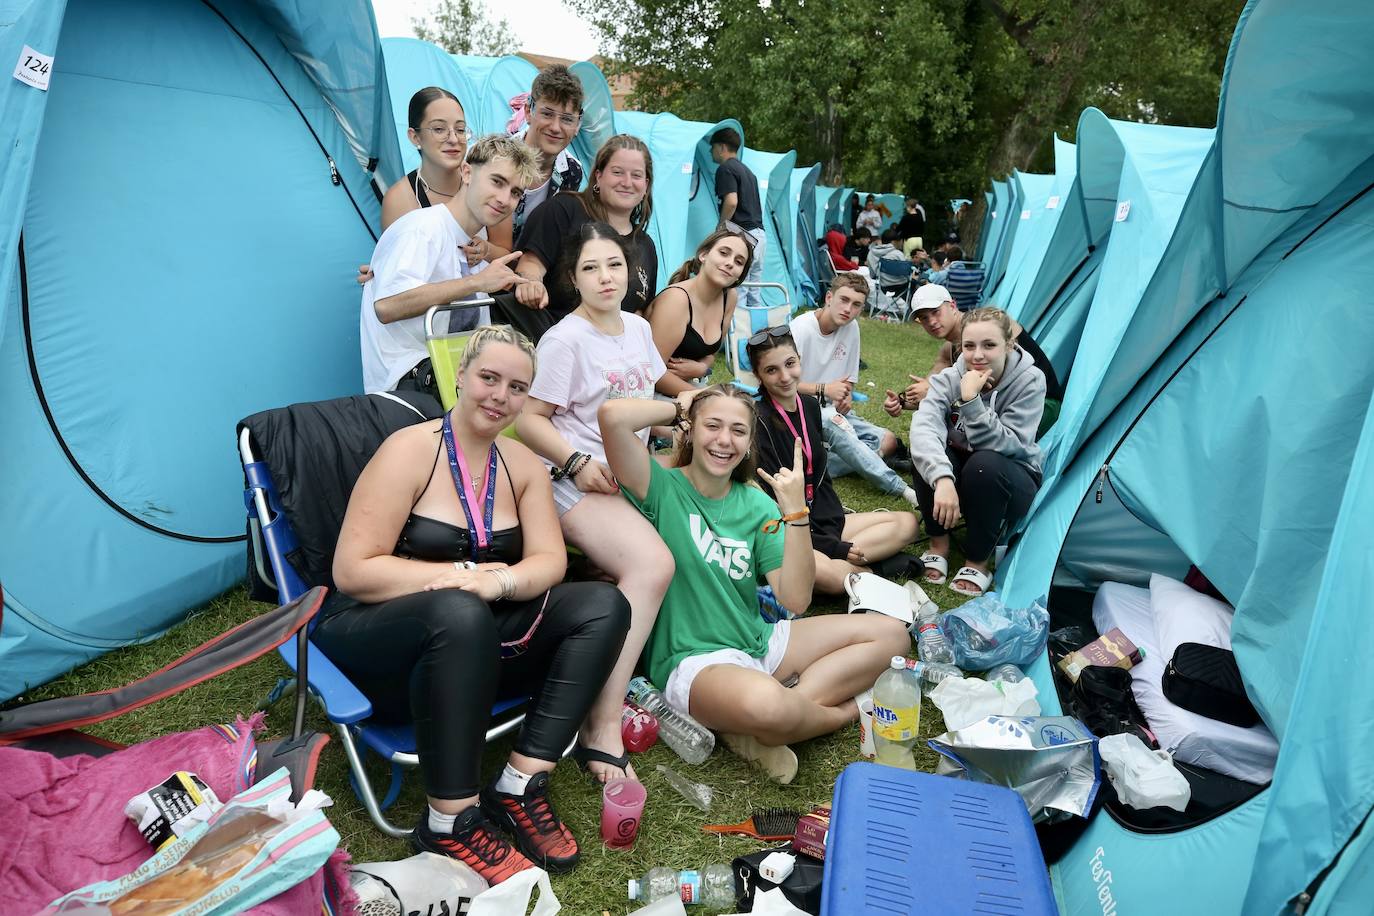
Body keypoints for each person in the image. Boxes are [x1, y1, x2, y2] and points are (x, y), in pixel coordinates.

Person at [319, 324, 631, 883]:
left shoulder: (522, 463)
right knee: (457, 611)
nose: (500, 396)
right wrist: (463, 576)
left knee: (604, 605)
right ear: (460, 376)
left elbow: (549, 562)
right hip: (376, 635)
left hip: (474, 636)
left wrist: (500, 585)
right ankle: (448, 819)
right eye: (489, 378)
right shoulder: (410, 451)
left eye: (517, 387)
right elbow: (354, 570)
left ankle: (520, 782)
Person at [598, 385, 910, 784]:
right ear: (690, 430)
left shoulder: (756, 502)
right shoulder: (659, 486)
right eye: (712, 426)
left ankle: (776, 716)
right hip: (693, 661)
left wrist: (795, 513)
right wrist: (681, 406)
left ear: (749, 444)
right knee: (768, 705)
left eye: (738, 431)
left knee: (892, 636)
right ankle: (837, 713)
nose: (724, 440)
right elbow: (612, 417)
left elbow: (795, 599)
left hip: (758, 640)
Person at [514, 222, 673, 781]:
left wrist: (695, 406)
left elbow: (655, 387)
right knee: (653, 564)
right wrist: (576, 465)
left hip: (634, 472)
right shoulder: (564, 340)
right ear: (572, 280)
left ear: (629, 271)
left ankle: (666, 666)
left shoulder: (635, 326)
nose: (605, 277)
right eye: (589, 268)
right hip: (573, 482)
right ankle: (601, 725)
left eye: (613, 265)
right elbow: (528, 420)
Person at [359, 135, 539, 395]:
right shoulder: (423, 228)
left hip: (451, 376)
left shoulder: (471, 246)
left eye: (515, 192)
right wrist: (477, 282)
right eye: (497, 181)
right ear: (467, 172)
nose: (504, 199)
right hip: (408, 382)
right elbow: (387, 306)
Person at [748, 328, 922, 592]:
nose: (785, 376)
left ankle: (852, 571)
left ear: (799, 359)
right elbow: (772, 506)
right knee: (824, 573)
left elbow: (819, 476)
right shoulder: (757, 420)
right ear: (758, 375)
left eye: (790, 364)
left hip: (824, 519)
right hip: (789, 530)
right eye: (771, 370)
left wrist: (834, 536)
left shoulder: (809, 406)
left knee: (908, 524)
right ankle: (877, 570)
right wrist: (832, 547)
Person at [908, 307, 1046, 597]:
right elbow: (923, 427)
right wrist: (943, 479)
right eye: (969, 346)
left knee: (983, 464)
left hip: (1010, 477)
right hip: (962, 475)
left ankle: (977, 561)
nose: (977, 355)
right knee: (927, 450)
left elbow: (1013, 444)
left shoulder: (1030, 380)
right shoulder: (950, 377)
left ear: (1009, 345)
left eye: (989, 345)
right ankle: (939, 544)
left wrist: (971, 401)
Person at [499, 134, 658, 342]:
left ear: (646, 184)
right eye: (617, 172)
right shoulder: (564, 209)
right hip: (550, 344)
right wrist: (531, 284)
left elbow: (639, 312)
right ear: (599, 176)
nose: (627, 182)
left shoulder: (646, 246)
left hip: (607, 360)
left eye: (636, 175)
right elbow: (530, 264)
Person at [790, 274, 918, 506]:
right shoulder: (801, 329)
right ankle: (901, 488)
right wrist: (824, 389)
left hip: (832, 408)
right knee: (833, 422)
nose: (848, 309)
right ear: (829, 297)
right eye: (844, 300)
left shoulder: (852, 328)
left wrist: (846, 394)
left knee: (887, 441)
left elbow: (848, 379)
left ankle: (819, 465)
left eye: (856, 304)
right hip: (800, 408)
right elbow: (782, 385)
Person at [356, 88, 497, 286]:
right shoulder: (400, 200)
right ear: (415, 137)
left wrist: (486, 250)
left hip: (486, 306)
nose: (454, 139)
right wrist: (380, 272)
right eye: (439, 129)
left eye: (460, 129)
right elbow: (398, 271)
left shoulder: (486, 182)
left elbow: (509, 253)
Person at [882, 284, 1064, 415]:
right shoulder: (949, 350)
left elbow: (990, 383)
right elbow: (932, 384)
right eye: (923, 318)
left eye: (936, 312)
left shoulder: (990, 323)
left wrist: (933, 393)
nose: (931, 322)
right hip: (999, 404)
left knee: (960, 415)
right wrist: (904, 401)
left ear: (952, 305)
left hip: (1041, 401)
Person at [486, 65, 586, 254]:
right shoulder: (494, 155)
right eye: (547, 114)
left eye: (566, 119)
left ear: (578, 124)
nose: (556, 127)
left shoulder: (572, 172)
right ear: (528, 111)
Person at [646, 228, 754, 395]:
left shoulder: (729, 298)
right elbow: (652, 372)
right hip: (655, 394)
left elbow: (711, 352)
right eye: (724, 253)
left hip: (694, 389)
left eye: (739, 262)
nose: (730, 263)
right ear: (703, 255)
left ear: (740, 276)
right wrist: (707, 396)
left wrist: (702, 368)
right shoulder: (676, 300)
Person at [709, 127, 766, 307]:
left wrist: (721, 226)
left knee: (737, 292)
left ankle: (735, 335)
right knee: (753, 292)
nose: (711, 152)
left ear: (721, 147)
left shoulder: (725, 169)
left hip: (745, 236)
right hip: (760, 236)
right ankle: (756, 334)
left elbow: (732, 201)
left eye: (712, 148)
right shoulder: (748, 172)